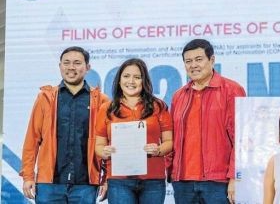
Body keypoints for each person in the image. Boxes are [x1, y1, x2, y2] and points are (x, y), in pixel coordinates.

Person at [20, 46, 109, 203]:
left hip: (86, 185)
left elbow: (108, 144)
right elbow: (32, 140)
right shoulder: (45, 99)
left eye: (77, 63)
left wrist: (106, 178)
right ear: (60, 66)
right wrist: (28, 176)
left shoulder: (101, 101)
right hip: (49, 185)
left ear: (87, 67)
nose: (71, 67)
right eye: (66, 63)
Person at [169, 39, 246, 204]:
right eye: (188, 61)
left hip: (218, 182)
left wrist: (235, 177)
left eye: (199, 59)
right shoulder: (178, 96)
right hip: (183, 183)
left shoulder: (232, 90)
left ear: (212, 60)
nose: (193, 65)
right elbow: (172, 138)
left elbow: (241, 138)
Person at [95, 58, 173, 204]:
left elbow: (169, 142)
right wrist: (104, 151)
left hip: (153, 180)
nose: (131, 81)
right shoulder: (106, 108)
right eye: (126, 76)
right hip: (119, 180)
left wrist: (158, 149)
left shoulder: (158, 106)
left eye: (137, 77)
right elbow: (98, 146)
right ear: (119, 80)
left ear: (144, 81)